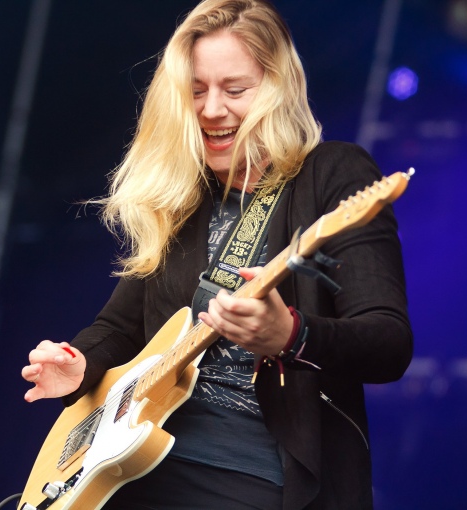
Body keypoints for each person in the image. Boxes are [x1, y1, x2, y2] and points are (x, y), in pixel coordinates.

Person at [21, 0, 412, 508]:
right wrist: (79, 366)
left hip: (252, 474)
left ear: (276, 89)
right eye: (197, 90)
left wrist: (291, 334)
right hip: (134, 464)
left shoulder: (332, 175)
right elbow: (119, 328)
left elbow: (389, 342)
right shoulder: (185, 197)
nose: (210, 109)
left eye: (235, 89)